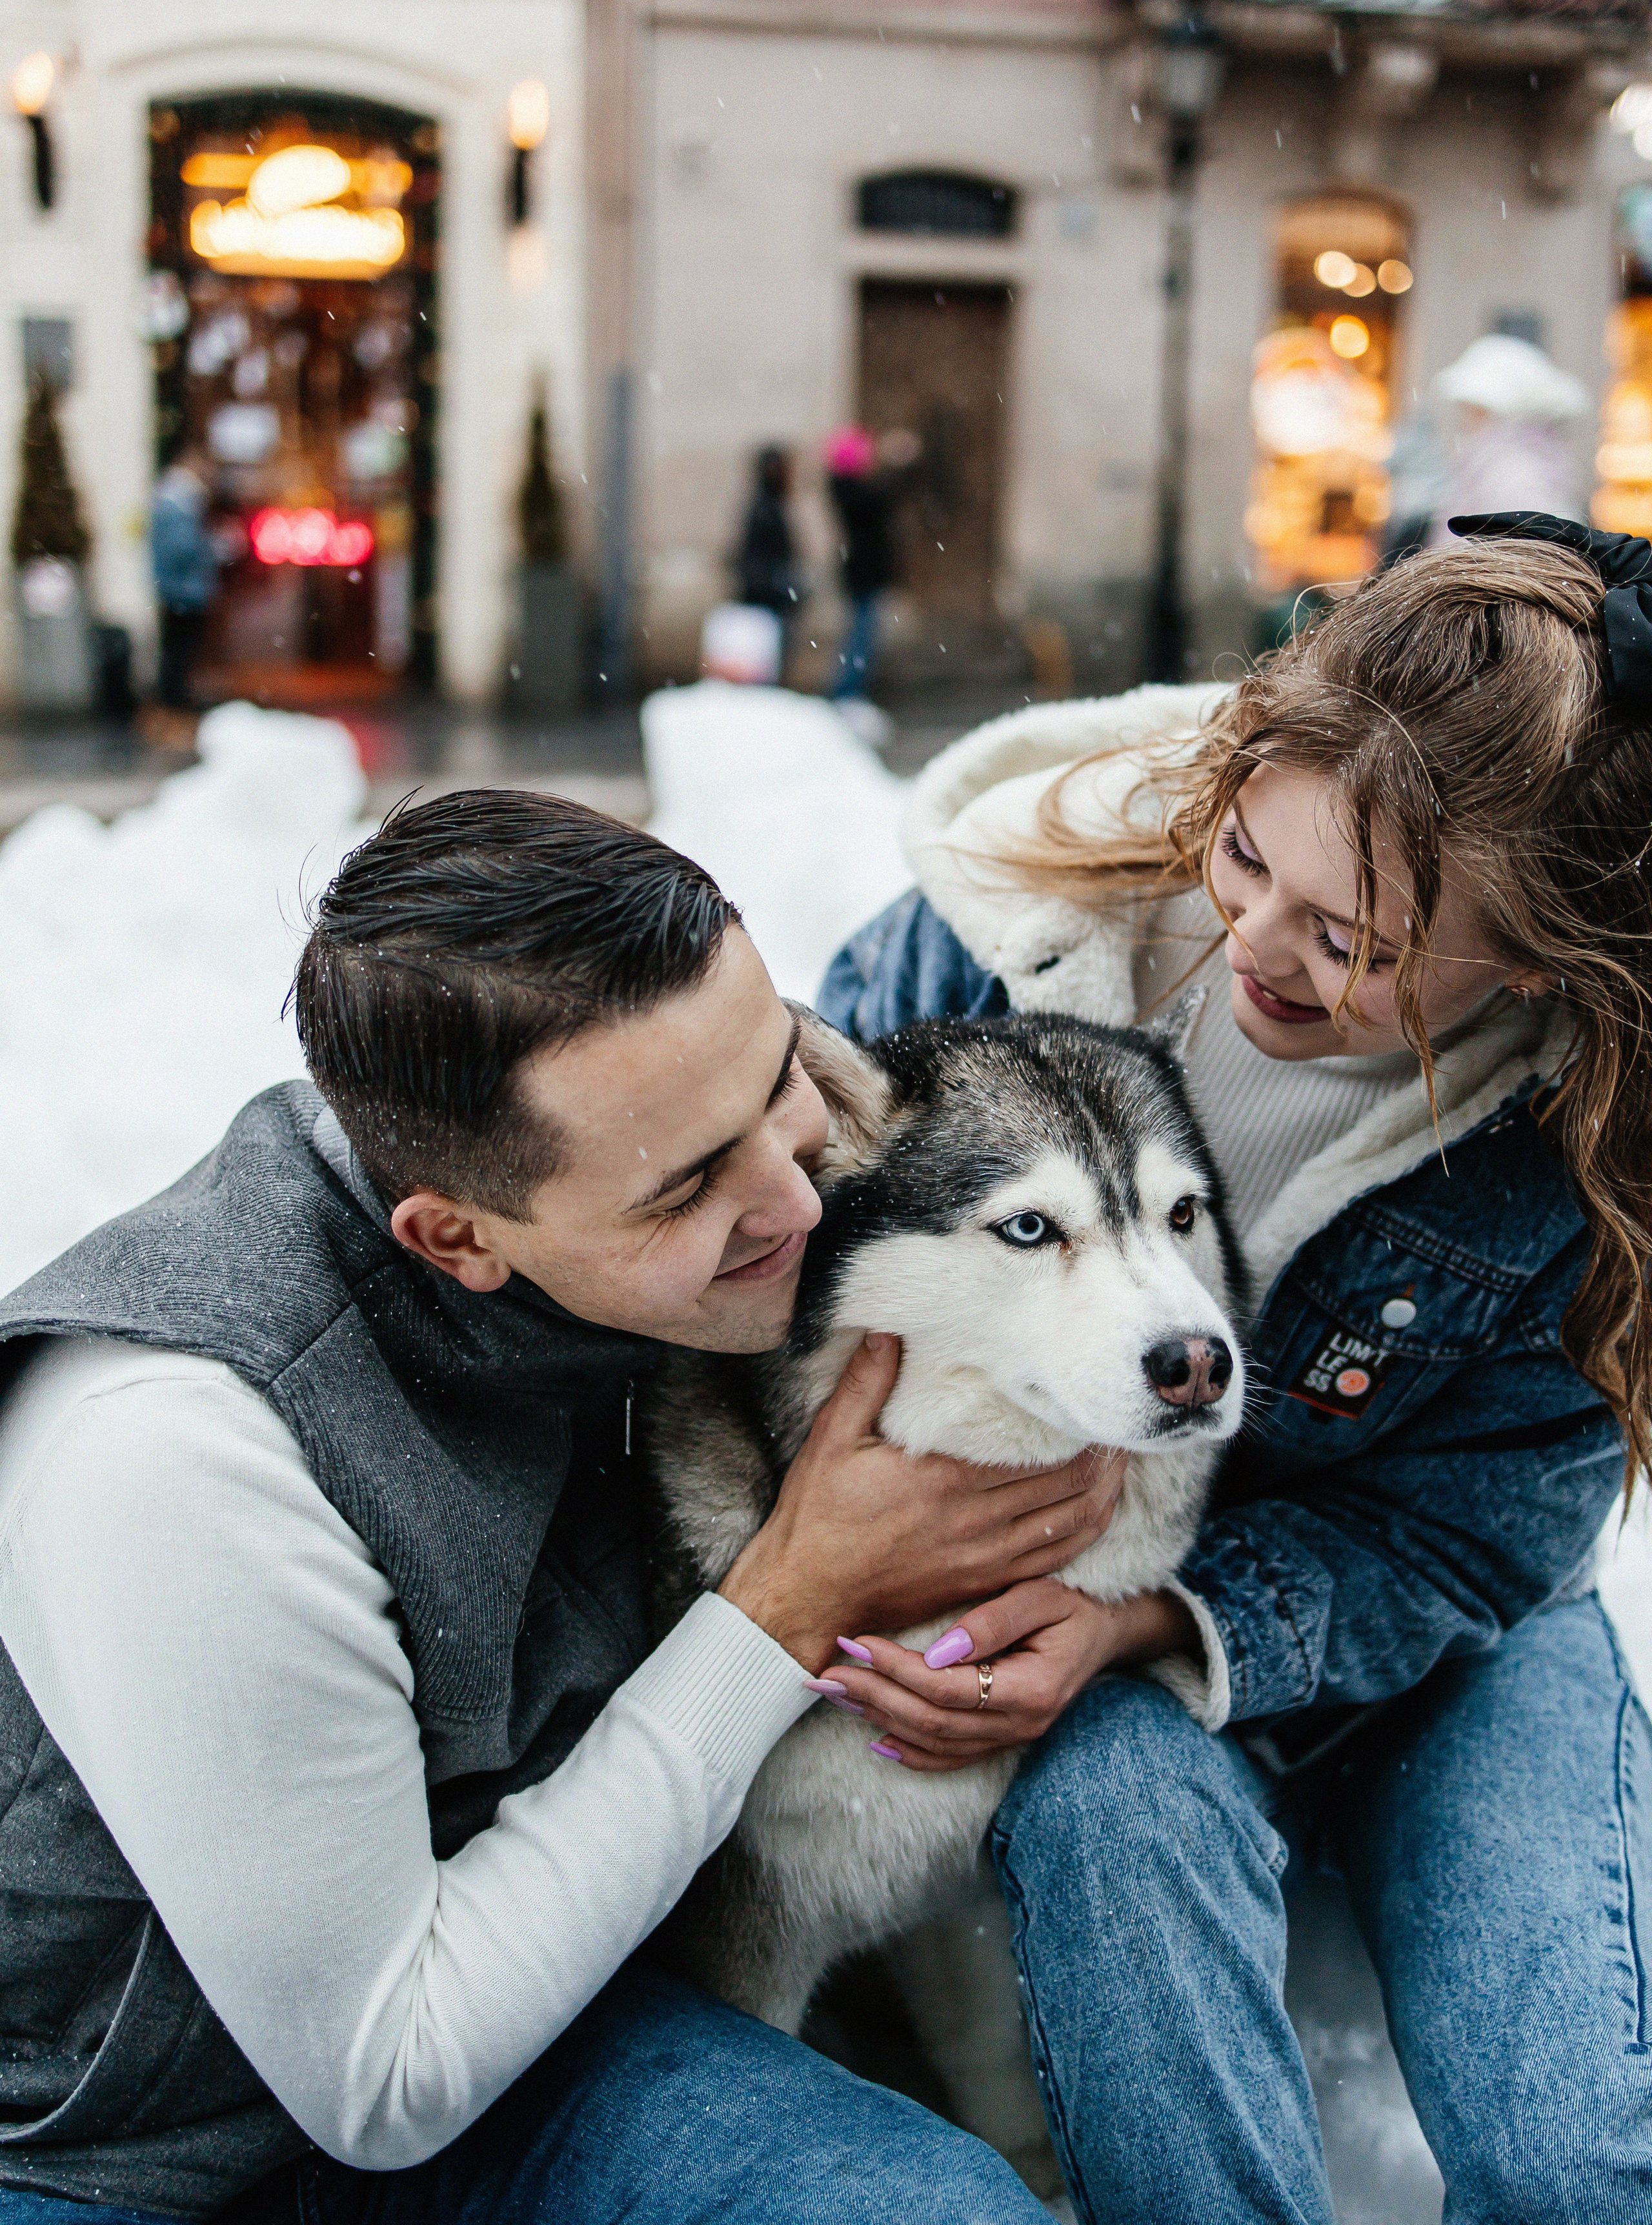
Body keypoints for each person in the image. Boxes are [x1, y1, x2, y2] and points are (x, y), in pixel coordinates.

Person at [0, 792, 1113, 2224]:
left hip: (533, 2029)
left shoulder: (654, 1204)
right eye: (689, 1186)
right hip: (121, 2159)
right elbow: (386, 2074)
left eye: (777, 1078)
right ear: (454, 1236)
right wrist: (783, 1608)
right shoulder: (173, 1454)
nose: (796, 1195)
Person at [816, 519, 1652, 2224]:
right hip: (1096, 1635)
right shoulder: (998, 948)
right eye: (1248, 857)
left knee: (1569, 2152)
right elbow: (789, 1227)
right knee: (1114, 1819)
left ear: (1545, 961)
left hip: (1457, 1644)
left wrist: (1169, 1621)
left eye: (1361, 945)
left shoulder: (1584, 1142)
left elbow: (1480, 1537)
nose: (1264, 942)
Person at [1425, 331, 1589, 543]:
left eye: (1472, 409)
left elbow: (1523, 564)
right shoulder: (1499, 467)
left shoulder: (1513, 476)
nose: (1465, 420)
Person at [823, 423, 917, 714]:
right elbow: (883, 499)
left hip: (862, 572)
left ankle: (847, 691)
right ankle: (846, 693)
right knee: (861, 637)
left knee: (861, 634)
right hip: (865, 573)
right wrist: (899, 463)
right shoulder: (852, 492)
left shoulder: (847, 489)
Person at [149, 443, 220, 712]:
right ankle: (173, 700)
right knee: (180, 648)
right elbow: (182, 548)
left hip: (178, 588)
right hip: (183, 590)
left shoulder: (174, 500)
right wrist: (211, 547)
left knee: (178, 647)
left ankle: (174, 698)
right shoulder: (180, 502)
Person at [732, 443, 804, 671]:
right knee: (767, 657)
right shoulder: (766, 509)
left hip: (767, 592)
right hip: (768, 595)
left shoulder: (767, 506)